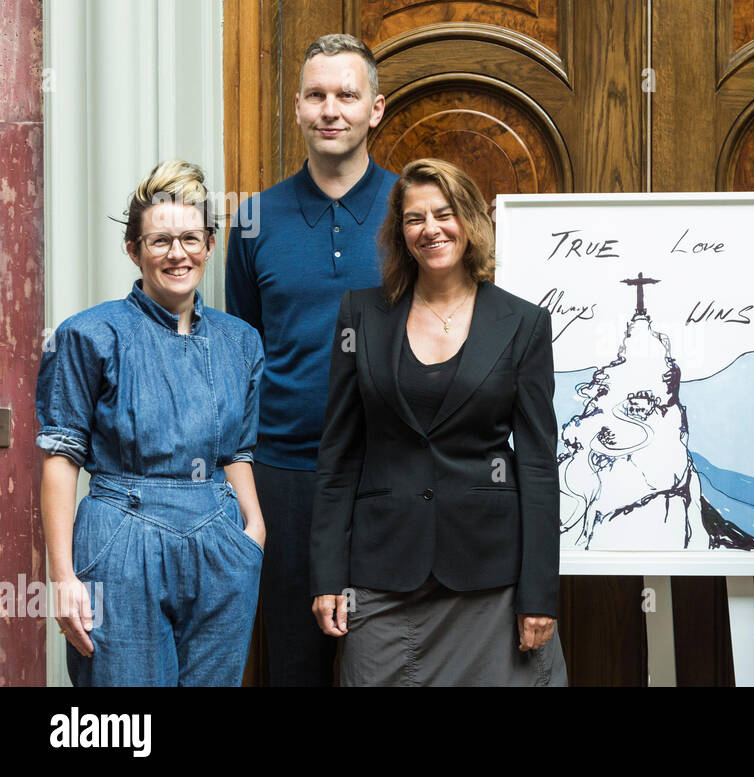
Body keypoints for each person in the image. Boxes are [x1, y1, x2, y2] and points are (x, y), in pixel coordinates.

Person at [310, 158, 566, 686]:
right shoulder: (360, 315)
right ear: (400, 233)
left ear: (469, 221)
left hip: (490, 577)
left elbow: (539, 465)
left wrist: (540, 591)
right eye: (414, 219)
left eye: (444, 214)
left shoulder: (524, 323)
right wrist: (328, 576)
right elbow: (338, 454)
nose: (430, 229)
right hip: (382, 571)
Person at [37, 159, 265, 686]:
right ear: (133, 250)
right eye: (160, 241)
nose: (177, 253)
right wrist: (63, 576)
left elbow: (237, 453)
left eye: (190, 238)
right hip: (121, 536)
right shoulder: (88, 335)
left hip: (219, 539)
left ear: (210, 245)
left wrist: (252, 533)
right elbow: (60, 456)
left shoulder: (241, 341)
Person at [225, 33, 398, 685]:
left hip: (391, 473)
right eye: (317, 95)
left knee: (387, 662)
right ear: (297, 107)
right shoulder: (253, 221)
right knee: (293, 662)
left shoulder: (413, 212)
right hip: (283, 472)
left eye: (347, 95)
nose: (331, 109)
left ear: (374, 109)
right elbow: (241, 351)